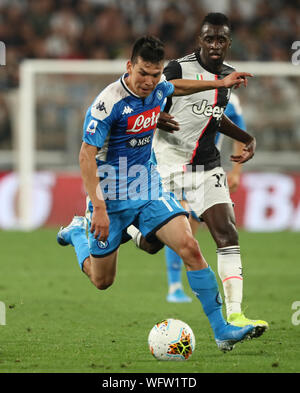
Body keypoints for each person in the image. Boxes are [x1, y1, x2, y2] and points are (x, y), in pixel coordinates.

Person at [57, 35, 256, 352]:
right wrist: (99, 207)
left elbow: (177, 87)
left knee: (190, 247)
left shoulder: (160, 85)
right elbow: (85, 156)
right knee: (101, 280)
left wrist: (221, 83)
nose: (150, 82)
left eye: (155, 74)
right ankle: (78, 233)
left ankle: (222, 330)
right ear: (129, 66)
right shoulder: (108, 104)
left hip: (148, 186)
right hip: (110, 195)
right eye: (143, 74)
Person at [127, 14, 269, 335]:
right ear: (199, 40)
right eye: (209, 39)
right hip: (165, 165)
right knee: (153, 245)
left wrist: (247, 138)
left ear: (229, 43)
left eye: (221, 40)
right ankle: (129, 230)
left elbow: (214, 117)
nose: (215, 45)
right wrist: (159, 114)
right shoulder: (178, 67)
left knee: (227, 234)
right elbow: (167, 88)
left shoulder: (230, 77)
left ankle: (235, 318)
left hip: (206, 166)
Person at [164, 92, 246, 304]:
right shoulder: (181, 94)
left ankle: (179, 286)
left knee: (189, 228)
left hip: (204, 171)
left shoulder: (230, 101)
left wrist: (236, 171)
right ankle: (174, 286)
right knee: (179, 220)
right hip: (174, 166)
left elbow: (240, 134)